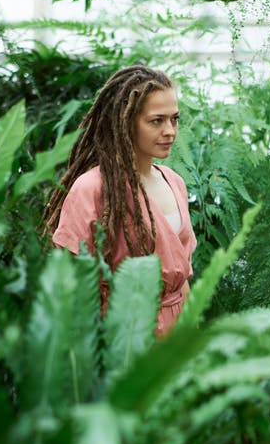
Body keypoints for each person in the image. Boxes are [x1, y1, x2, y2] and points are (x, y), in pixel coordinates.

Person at [42, 64, 197, 337]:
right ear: (126, 121)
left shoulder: (174, 182)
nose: (170, 131)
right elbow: (71, 285)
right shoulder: (92, 189)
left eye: (174, 119)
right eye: (156, 121)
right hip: (121, 336)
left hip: (176, 335)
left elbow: (181, 279)